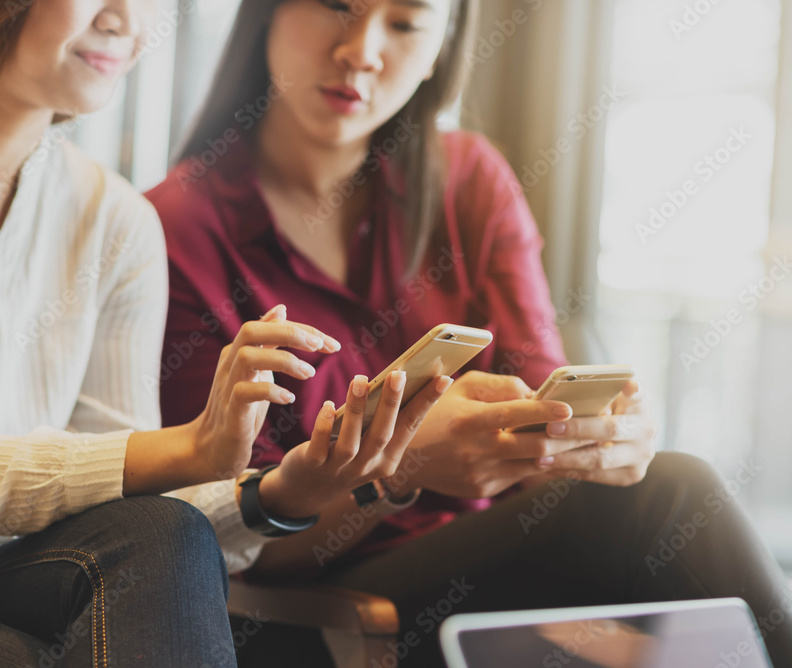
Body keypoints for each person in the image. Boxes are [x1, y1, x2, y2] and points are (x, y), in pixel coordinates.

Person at [0, 1, 447, 665]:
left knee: (162, 531)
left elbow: (120, 498)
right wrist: (189, 447)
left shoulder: (117, 219)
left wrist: (278, 494)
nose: (126, 21)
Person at [145, 0, 792, 666]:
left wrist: (598, 445)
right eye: (336, 5)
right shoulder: (175, 229)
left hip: (493, 572)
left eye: (404, 23)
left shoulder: (470, 182)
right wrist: (399, 470)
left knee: (654, 496)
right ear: (266, 15)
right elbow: (221, 532)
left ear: (440, 52)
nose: (362, 50)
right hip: (316, 611)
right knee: (668, 499)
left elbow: (546, 416)